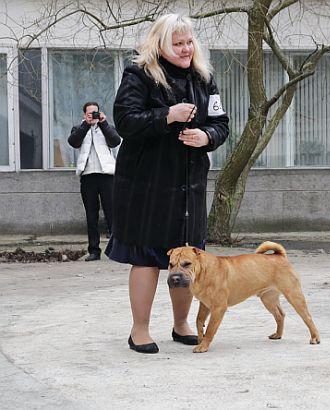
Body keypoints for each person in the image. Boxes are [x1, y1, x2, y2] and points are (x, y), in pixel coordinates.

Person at [106, 13, 229, 353]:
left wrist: (207, 136)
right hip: (146, 186)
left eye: (189, 42)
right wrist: (167, 115)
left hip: (189, 186)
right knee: (146, 257)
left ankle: (181, 324)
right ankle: (139, 330)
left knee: (186, 256)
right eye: (177, 44)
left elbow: (221, 123)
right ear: (160, 45)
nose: (186, 49)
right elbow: (125, 121)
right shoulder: (139, 75)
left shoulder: (204, 78)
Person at [68, 102, 121, 262]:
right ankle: (94, 250)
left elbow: (115, 141)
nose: (93, 115)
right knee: (91, 215)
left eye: (95, 112)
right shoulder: (78, 128)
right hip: (88, 176)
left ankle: (115, 250)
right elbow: (73, 142)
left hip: (107, 176)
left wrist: (103, 123)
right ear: (84, 114)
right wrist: (86, 124)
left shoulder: (107, 127)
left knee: (112, 213)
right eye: (90, 113)